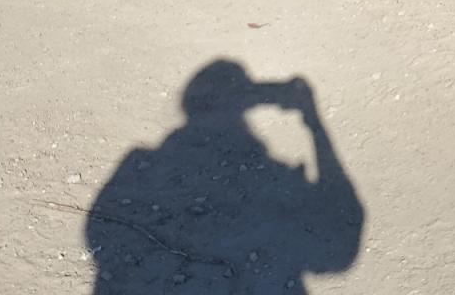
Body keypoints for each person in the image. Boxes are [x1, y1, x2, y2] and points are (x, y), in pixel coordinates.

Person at [87, 60, 363, 293]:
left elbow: (97, 231)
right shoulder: (274, 176)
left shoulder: (140, 162)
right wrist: (314, 123)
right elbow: (341, 251)